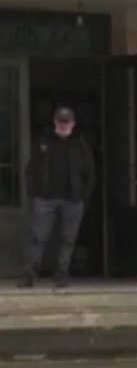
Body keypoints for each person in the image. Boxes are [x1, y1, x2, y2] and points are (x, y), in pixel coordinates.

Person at [19, 107, 95, 288]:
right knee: (37, 237)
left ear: (73, 123)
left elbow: (90, 173)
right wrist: (34, 192)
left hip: (72, 200)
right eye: (60, 121)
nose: (63, 125)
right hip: (45, 200)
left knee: (68, 239)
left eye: (66, 122)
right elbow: (31, 169)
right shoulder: (43, 142)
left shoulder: (81, 145)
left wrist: (82, 196)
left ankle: (62, 274)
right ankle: (29, 275)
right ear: (54, 121)